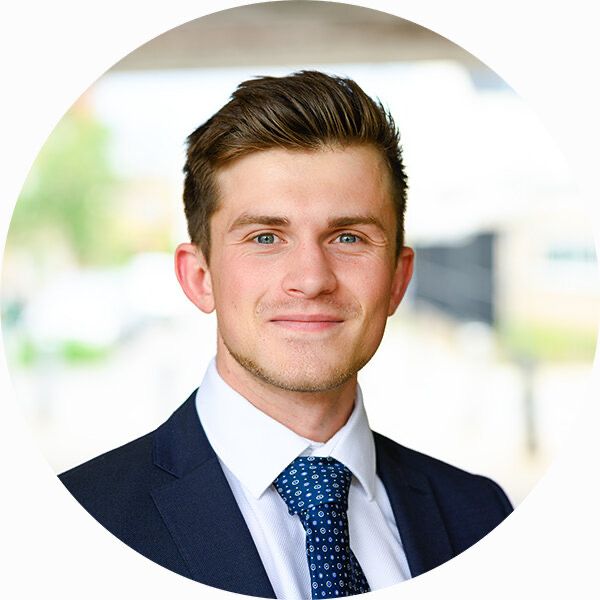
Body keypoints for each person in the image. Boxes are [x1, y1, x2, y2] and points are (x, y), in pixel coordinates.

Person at [59, 71, 512, 598]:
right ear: (199, 278)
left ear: (397, 279)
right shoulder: (78, 525)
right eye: (266, 237)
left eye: (348, 236)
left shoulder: (482, 515)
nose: (312, 279)